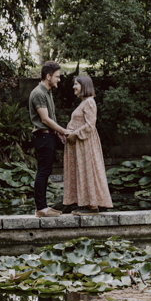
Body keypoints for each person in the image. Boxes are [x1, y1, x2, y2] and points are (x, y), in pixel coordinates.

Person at [62, 75, 112, 215]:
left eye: (76, 84)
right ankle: (85, 204)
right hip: (79, 145)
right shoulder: (83, 103)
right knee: (82, 172)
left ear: (84, 86)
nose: (73, 87)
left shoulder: (89, 102)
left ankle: (92, 206)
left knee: (87, 171)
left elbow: (90, 126)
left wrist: (74, 133)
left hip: (86, 144)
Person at [28, 61, 70, 217]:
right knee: (43, 171)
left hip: (48, 135)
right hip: (43, 136)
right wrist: (63, 130)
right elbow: (45, 119)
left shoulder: (47, 92)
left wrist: (57, 133)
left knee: (46, 171)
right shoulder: (39, 93)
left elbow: (50, 118)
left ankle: (43, 206)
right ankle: (41, 208)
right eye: (57, 77)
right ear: (48, 76)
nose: (59, 79)